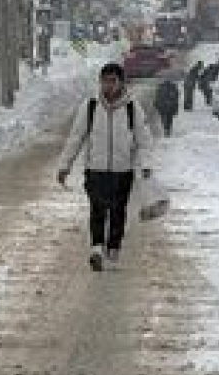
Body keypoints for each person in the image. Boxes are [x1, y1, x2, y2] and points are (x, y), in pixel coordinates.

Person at [57, 62, 151, 271]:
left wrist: (146, 165)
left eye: (112, 81)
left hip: (122, 170)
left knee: (118, 211)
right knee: (97, 210)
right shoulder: (90, 106)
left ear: (120, 83)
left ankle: (114, 245)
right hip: (95, 170)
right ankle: (97, 247)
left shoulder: (131, 107)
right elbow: (76, 136)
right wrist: (65, 165)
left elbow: (143, 139)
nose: (108, 86)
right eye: (104, 81)